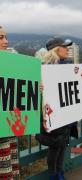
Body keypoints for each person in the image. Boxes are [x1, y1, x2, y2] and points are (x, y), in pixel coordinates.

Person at [36, 37, 74, 180]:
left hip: (64, 113)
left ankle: (59, 172)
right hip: (51, 114)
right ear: (56, 49)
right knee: (55, 146)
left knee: (62, 145)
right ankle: (54, 175)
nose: (68, 49)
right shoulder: (43, 67)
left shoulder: (67, 66)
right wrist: (39, 87)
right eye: (65, 47)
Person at [0, 26, 20, 179]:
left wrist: (35, 85)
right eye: (0, 38)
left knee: (11, 170)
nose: (6, 41)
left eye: (5, 37)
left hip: (9, 128)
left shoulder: (10, 63)